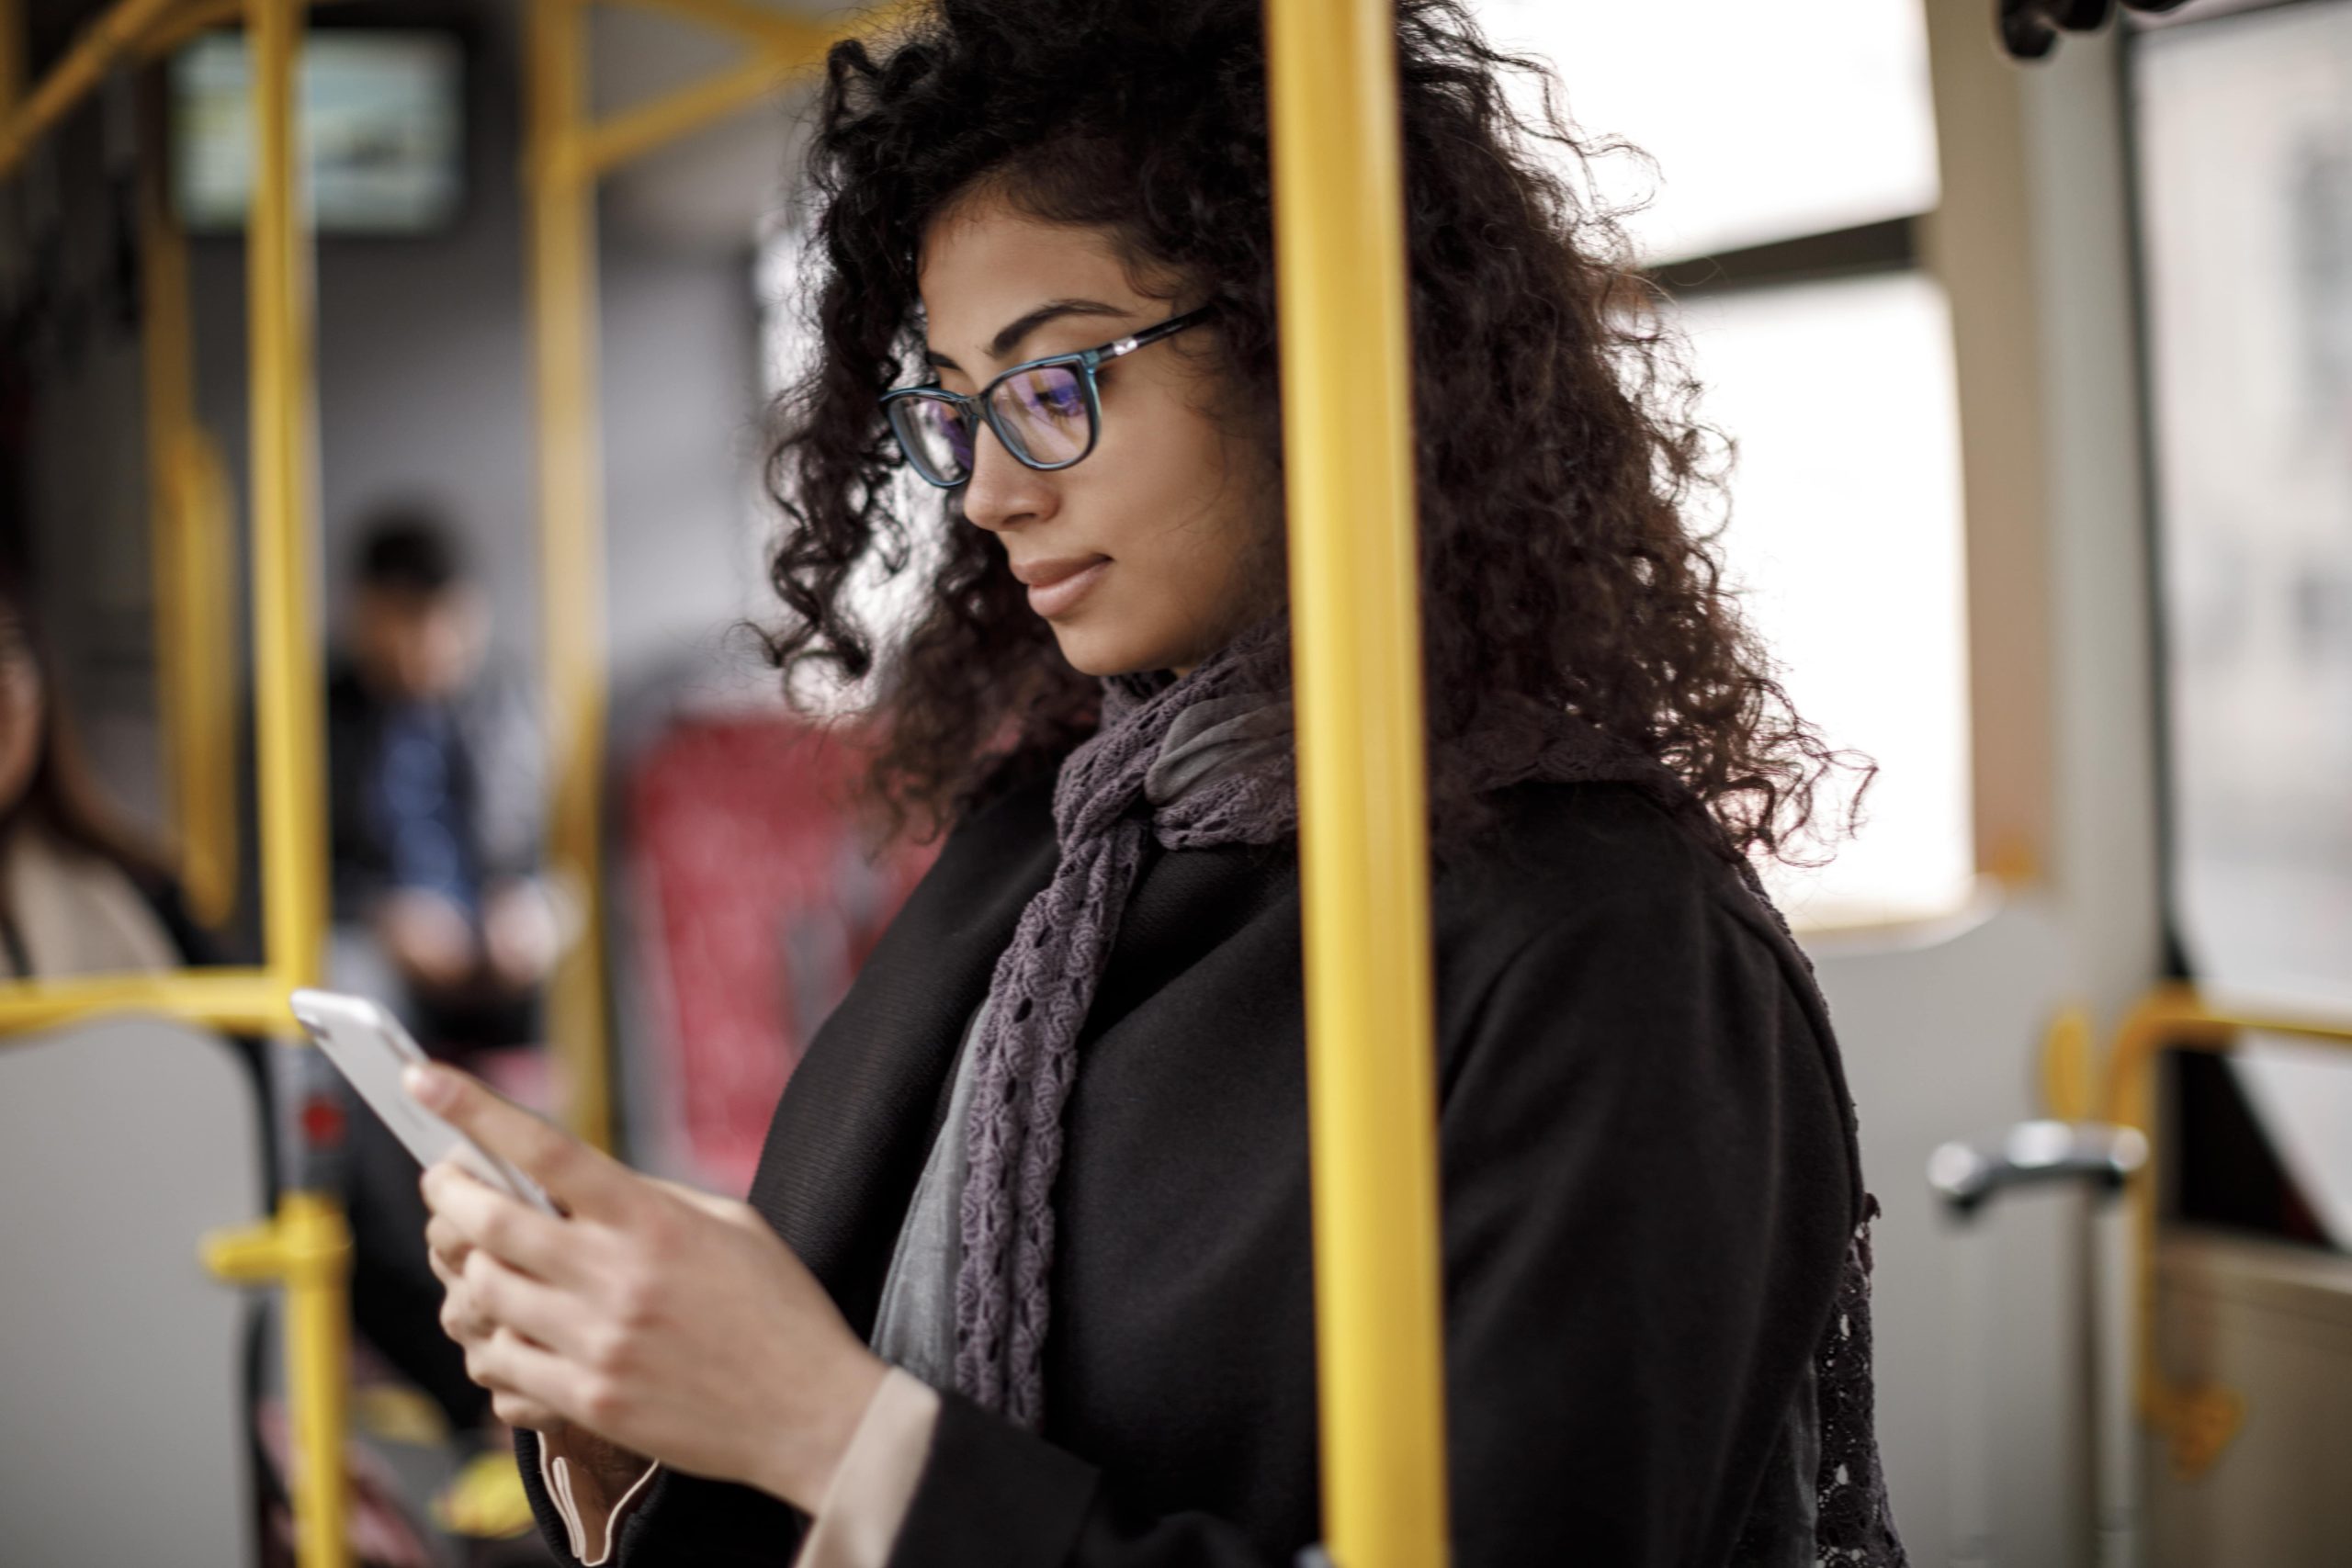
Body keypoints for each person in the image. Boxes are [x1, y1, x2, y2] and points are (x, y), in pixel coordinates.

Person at [417, 2, 1908, 1563]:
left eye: (1057, 381)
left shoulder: (1606, 945)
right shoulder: (1041, 843)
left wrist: (817, 1428)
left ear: (1312, 343)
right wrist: (643, 1410)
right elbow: (835, 1381)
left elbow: (854, 1425)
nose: (991, 492)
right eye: (950, 409)